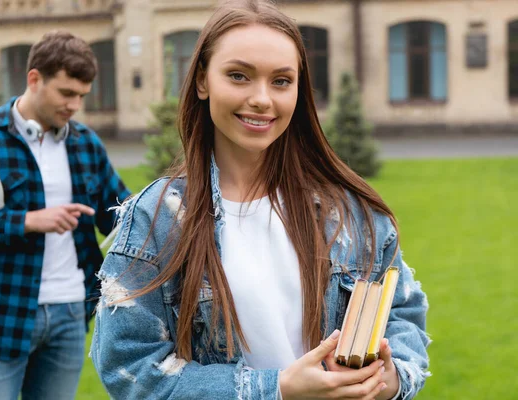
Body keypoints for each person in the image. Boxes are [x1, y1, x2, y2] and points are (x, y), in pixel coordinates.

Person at [91, 0, 429, 399]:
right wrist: (278, 389)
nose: (262, 99)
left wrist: (389, 381)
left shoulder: (349, 211)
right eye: (239, 76)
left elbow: (402, 316)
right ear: (202, 81)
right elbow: (130, 369)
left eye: (281, 81)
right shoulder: (155, 220)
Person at [0, 31, 130, 400]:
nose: (75, 106)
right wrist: (27, 221)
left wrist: (168, 208)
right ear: (34, 79)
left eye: (82, 96)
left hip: (71, 313)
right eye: (66, 93)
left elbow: (120, 214)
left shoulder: (85, 142)